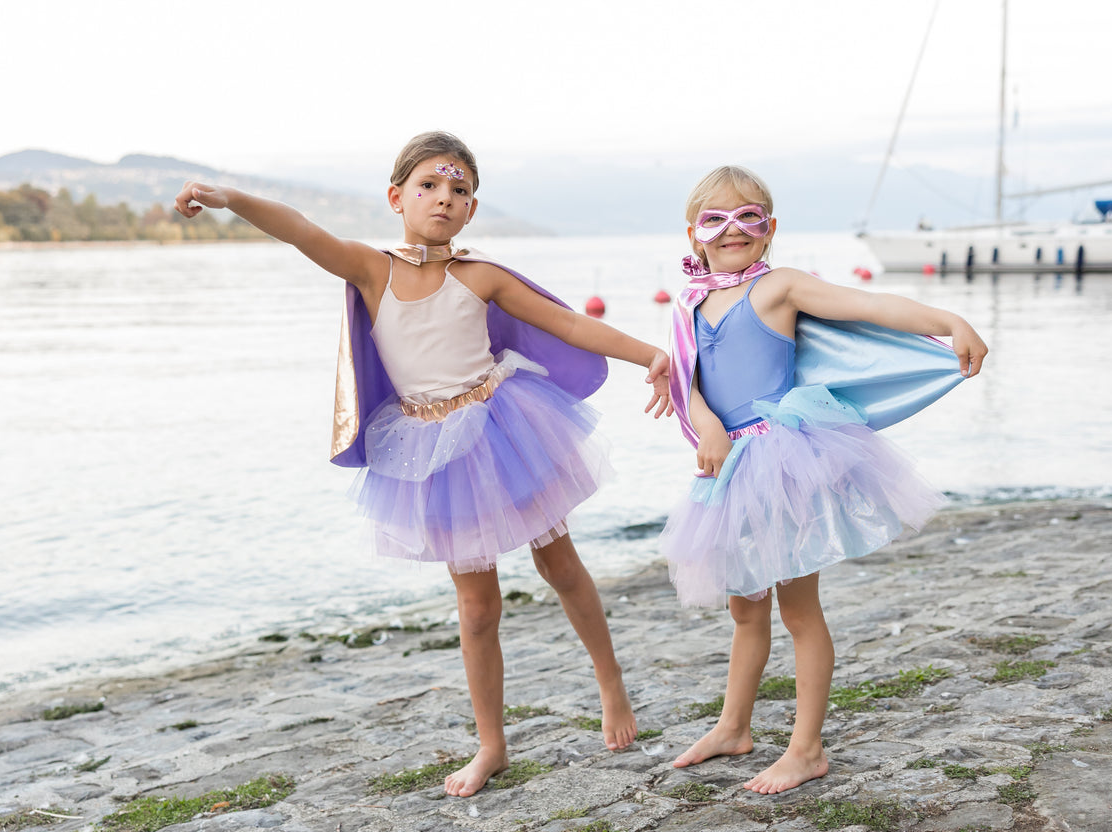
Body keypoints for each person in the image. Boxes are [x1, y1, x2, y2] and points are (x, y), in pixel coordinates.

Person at [173, 132, 672, 796]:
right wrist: (228, 197)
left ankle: (610, 685)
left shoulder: (480, 274)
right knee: (476, 605)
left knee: (560, 565)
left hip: (503, 428)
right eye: (430, 185)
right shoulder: (367, 267)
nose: (443, 198)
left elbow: (569, 325)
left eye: (459, 189)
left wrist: (651, 356)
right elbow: (298, 229)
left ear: (470, 209)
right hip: (435, 452)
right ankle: (490, 742)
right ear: (396, 197)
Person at [658, 165, 987, 794]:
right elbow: (687, 385)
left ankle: (806, 748)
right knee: (743, 606)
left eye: (748, 216)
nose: (734, 229)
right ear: (695, 234)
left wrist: (946, 321)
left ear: (769, 228)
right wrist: (707, 429)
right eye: (716, 219)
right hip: (726, 466)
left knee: (798, 609)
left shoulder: (779, 287)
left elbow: (870, 305)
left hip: (784, 462)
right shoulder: (690, 304)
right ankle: (733, 726)